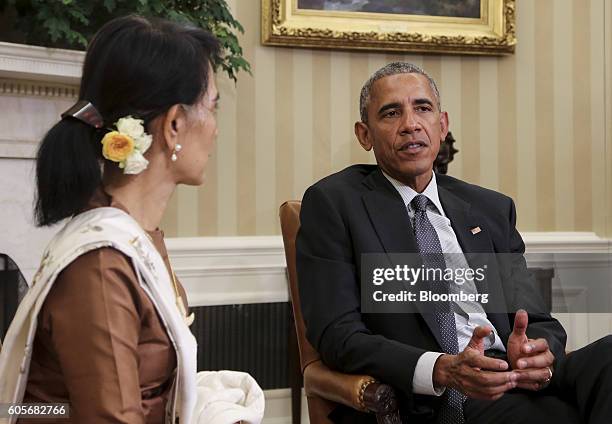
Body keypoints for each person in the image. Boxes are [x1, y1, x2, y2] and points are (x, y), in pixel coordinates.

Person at [296, 62, 612, 423]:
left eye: (423, 108)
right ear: (364, 134)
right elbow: (338, 336)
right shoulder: (336, 205)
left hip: (517, 378)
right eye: (391, 113)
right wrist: (442, 368)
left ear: (442, 125)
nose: (410, 124)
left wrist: (535, 351)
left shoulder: (489, 208)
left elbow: (538, 320)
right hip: (448, 397)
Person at [0, 15, 263, 424]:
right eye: (212, 107)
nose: (215, 129)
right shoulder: (102, 267)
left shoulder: (135, 237)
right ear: (175, 125)